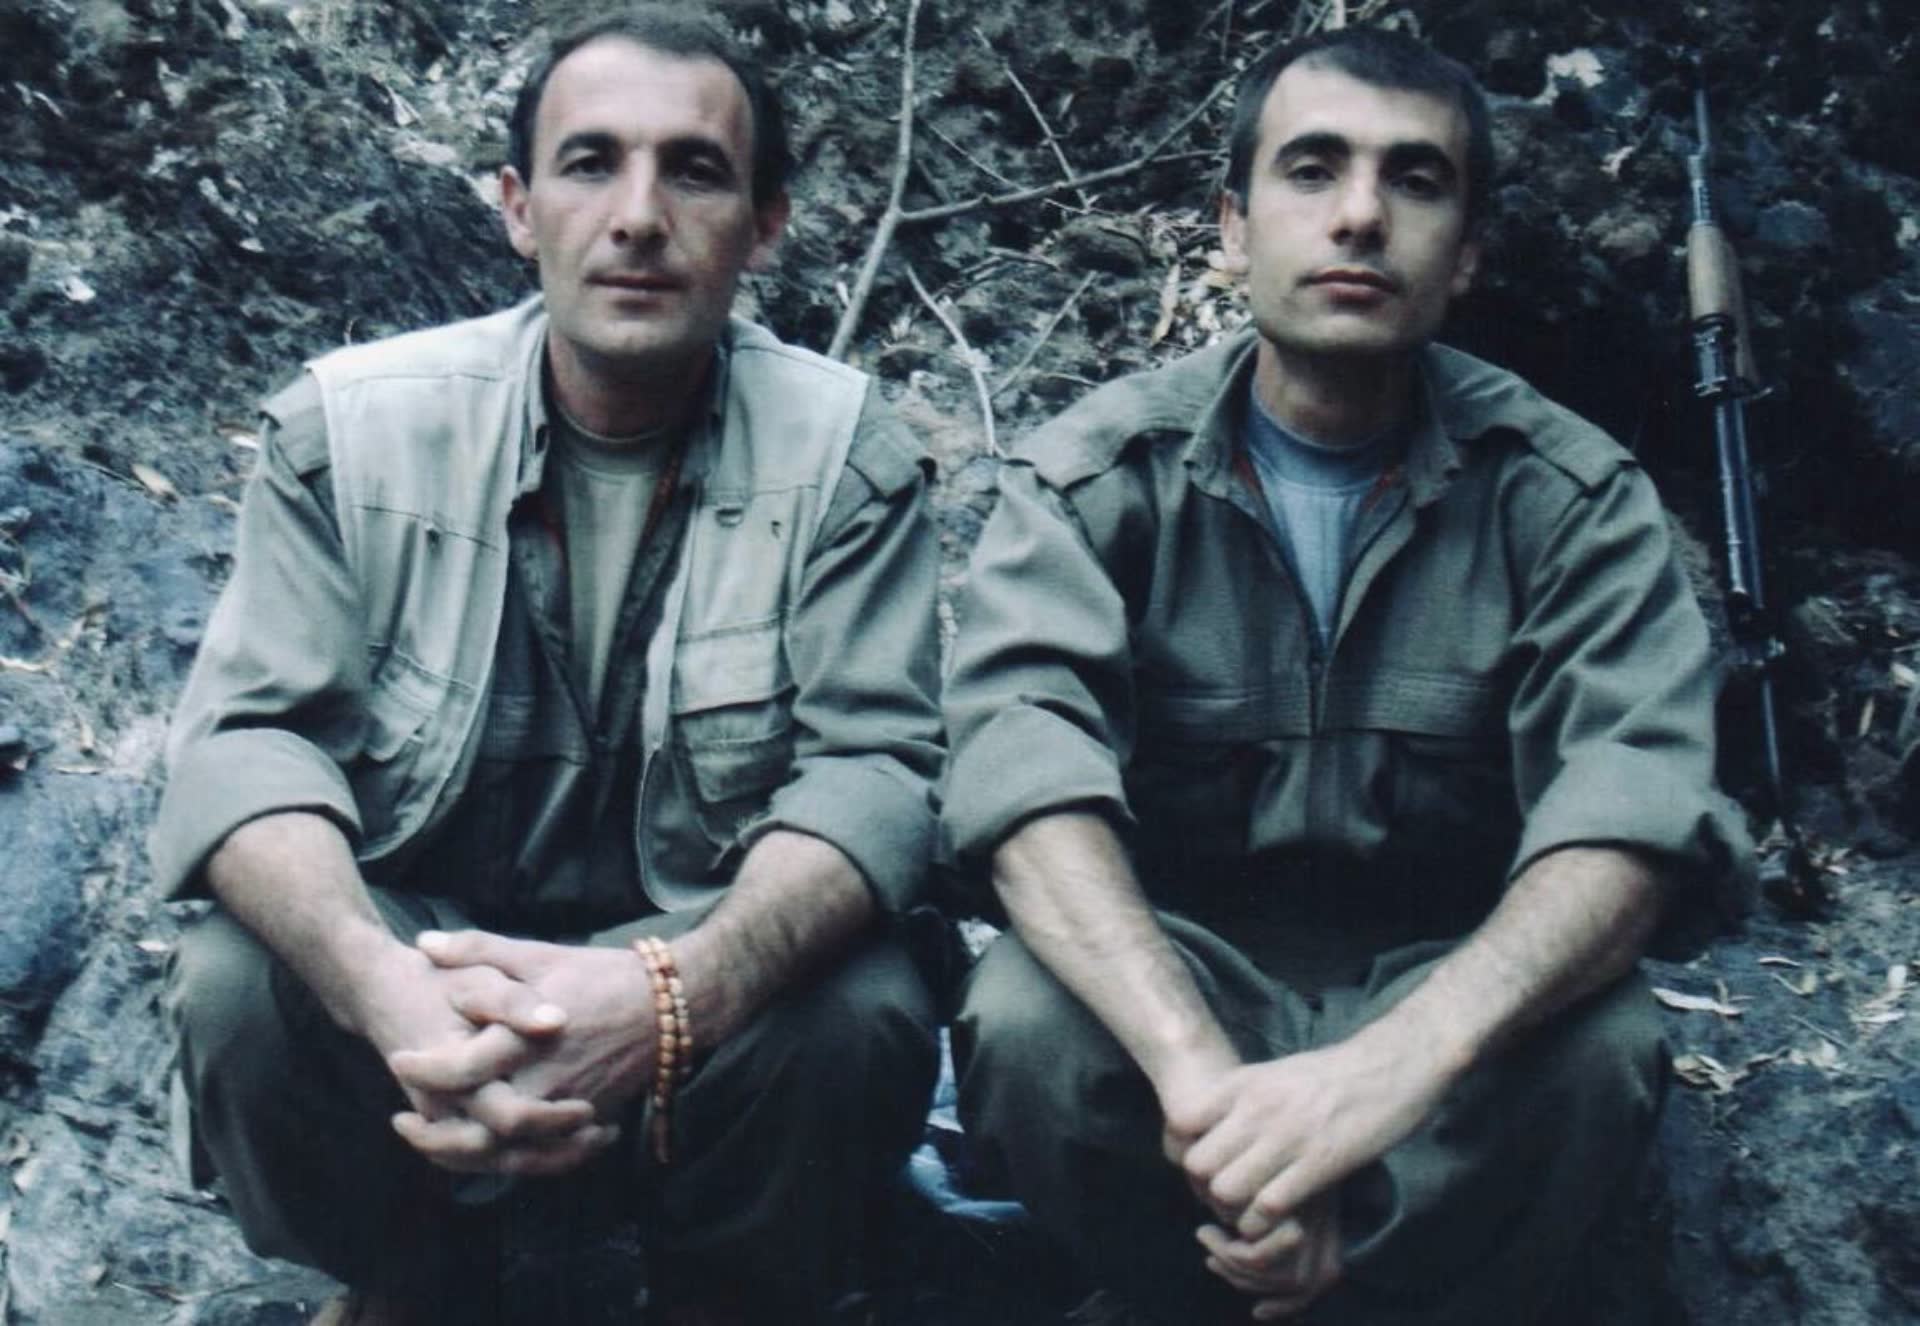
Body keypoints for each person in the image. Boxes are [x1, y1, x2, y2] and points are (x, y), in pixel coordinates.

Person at [941, 26, 1753, 1326]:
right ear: (1232, 226)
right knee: (1025, 1018)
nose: (1362, 215)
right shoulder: (1096, 480)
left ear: (1468, 252)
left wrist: (1381, 1080)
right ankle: (1180, 1295)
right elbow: (1022, 782)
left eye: (1415, 181)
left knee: (1605, 1048)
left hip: (1445, 995)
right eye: (1312, 169)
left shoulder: (1573, 501)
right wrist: (1209, 1093)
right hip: (1188, 985)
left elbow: (1630, 822)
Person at [151, 8, 944, 1324]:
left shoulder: (847, 456)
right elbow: (246, 750)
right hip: (427, 959)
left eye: (694, 171)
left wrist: (671, 999)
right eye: (590, 163)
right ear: (518, 208)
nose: (637, 217)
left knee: (860, 1008)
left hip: (690, 970)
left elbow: (877, 779)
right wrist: (383, 988)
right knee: (240, 979)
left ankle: (725, 1293)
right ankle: (408, 1276)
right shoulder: (349, 431)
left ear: (765, 225)